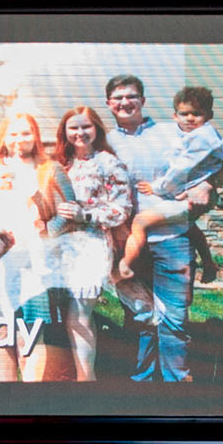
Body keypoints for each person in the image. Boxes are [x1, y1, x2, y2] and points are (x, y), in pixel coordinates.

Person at [104, 72, 212, 383]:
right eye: (118, 98)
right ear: (109, 104)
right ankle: (142, 381)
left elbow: (215, 161)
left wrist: (206, 184)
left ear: (143, 100)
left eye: (131, 96)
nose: (125, 102)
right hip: (127, 243)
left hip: (172, 239)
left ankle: (177, 383)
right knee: (138, 314)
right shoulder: (106, 142)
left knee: (174, 317)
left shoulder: (173, 131)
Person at [0, 113, 77, 381]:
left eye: (25, 133)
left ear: (35, 136)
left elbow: (67, 212)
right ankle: (6, 388)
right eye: (13, 134)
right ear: (3, 138)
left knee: (30, 325)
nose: (19, 139)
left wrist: (44, 230)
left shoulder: (51, 169)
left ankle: (29, 389)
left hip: (33, 251)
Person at [118, 85, 223, 287]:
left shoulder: (202, 137)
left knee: (140, 222)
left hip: (194, 195)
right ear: (175, 116)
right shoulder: (195, 134)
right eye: (184, 114)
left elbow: (180, 168)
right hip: (187, 194)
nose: (189, 118)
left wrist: (158, 187)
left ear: (209, 115)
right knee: (187, 226)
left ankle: (125, 264)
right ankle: (209, 263)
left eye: (197, 114)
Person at [52, 105, 132, 381]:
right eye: (73, 127)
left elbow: (122, 208)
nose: (80, 133)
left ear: (96, 128)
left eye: (86, 126)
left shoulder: (108, 163)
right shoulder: (61, 164)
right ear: (64, 132)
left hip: (92, 244)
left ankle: (87, 379)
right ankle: (64, 372)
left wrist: (85, 215)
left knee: (80, 311)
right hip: (59, 244)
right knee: (63, 311)